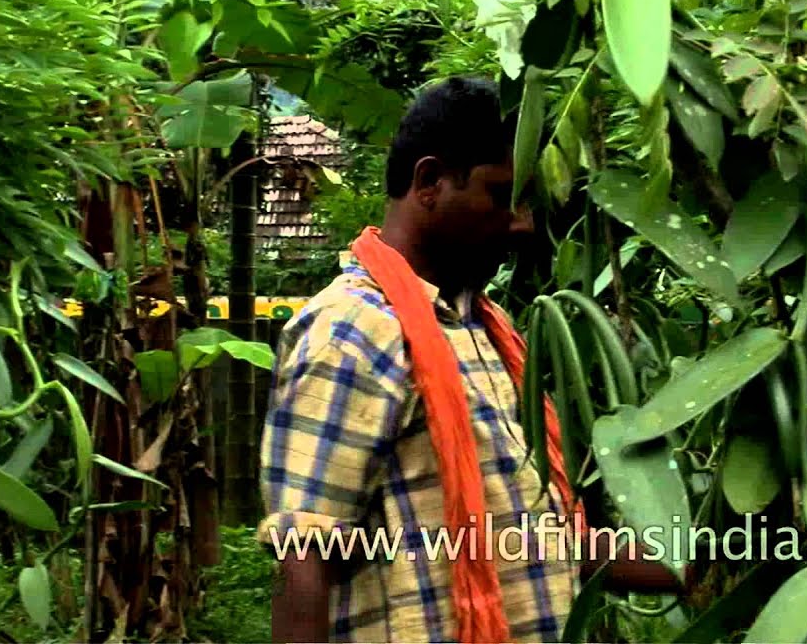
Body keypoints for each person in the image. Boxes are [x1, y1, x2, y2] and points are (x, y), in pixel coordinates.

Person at [257, 76, 681, 644]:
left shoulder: (481, 329)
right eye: (503, 195)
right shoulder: (354, 329)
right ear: (429, 182)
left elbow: (539, 537)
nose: (522, 222)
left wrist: (718, 561)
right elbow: (304, 556)